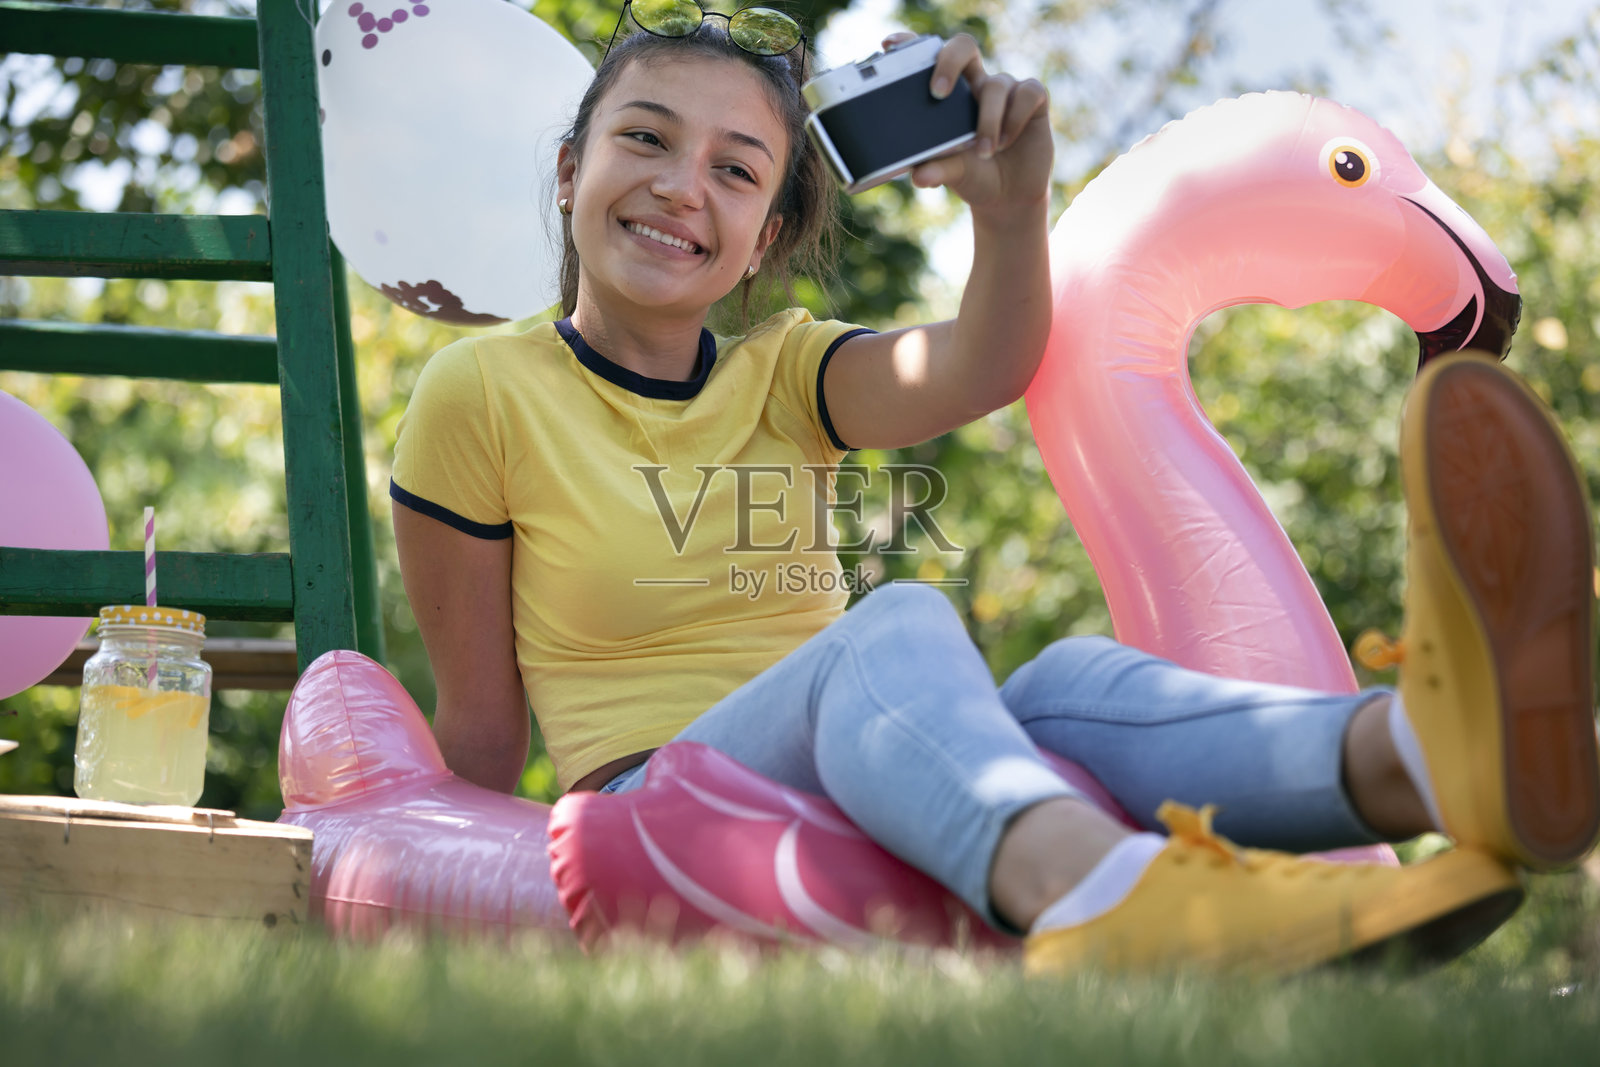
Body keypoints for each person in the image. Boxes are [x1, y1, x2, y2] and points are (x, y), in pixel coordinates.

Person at [390, 2, 1599, 975]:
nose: (679, 186)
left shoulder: (787, 370)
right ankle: (1102, 893)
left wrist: (1008, 202)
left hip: (854, 753)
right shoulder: (478, 390)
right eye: (643, 138)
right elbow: (484, 728)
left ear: (760, 238)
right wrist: (441, 880)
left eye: (735, 169)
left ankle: (1433, 753)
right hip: (658, 793)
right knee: (901, 620)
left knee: (1067, 681)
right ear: (569, 170)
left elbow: (982, 363)